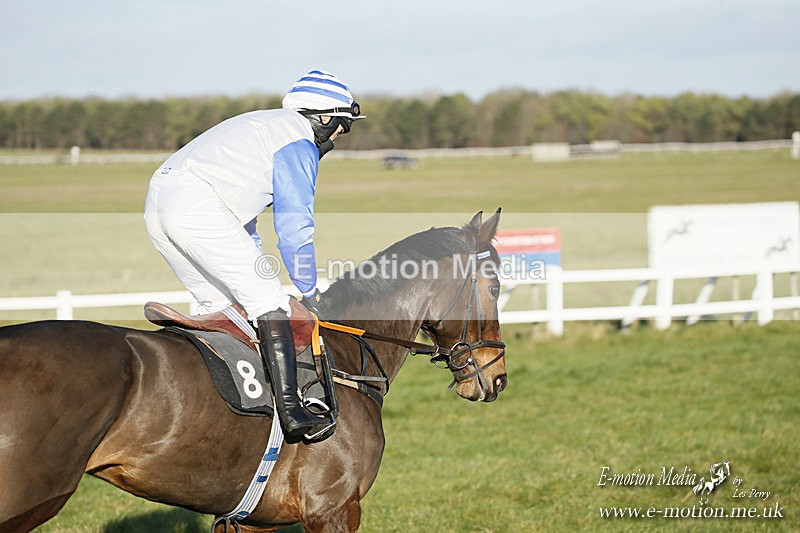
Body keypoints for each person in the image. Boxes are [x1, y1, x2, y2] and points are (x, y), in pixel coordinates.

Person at [143, 69, 364, 439]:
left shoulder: (263, 124)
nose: (341, 136)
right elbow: (294, 229)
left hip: (159, 204)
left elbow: (242, 224)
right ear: (324, 117)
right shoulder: (299, 141)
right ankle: (293, 413)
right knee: (269, 304)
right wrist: (308, 290)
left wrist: (261, 270)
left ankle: (217, 409)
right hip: (197, 207)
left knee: (217, 306)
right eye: (344, 125)